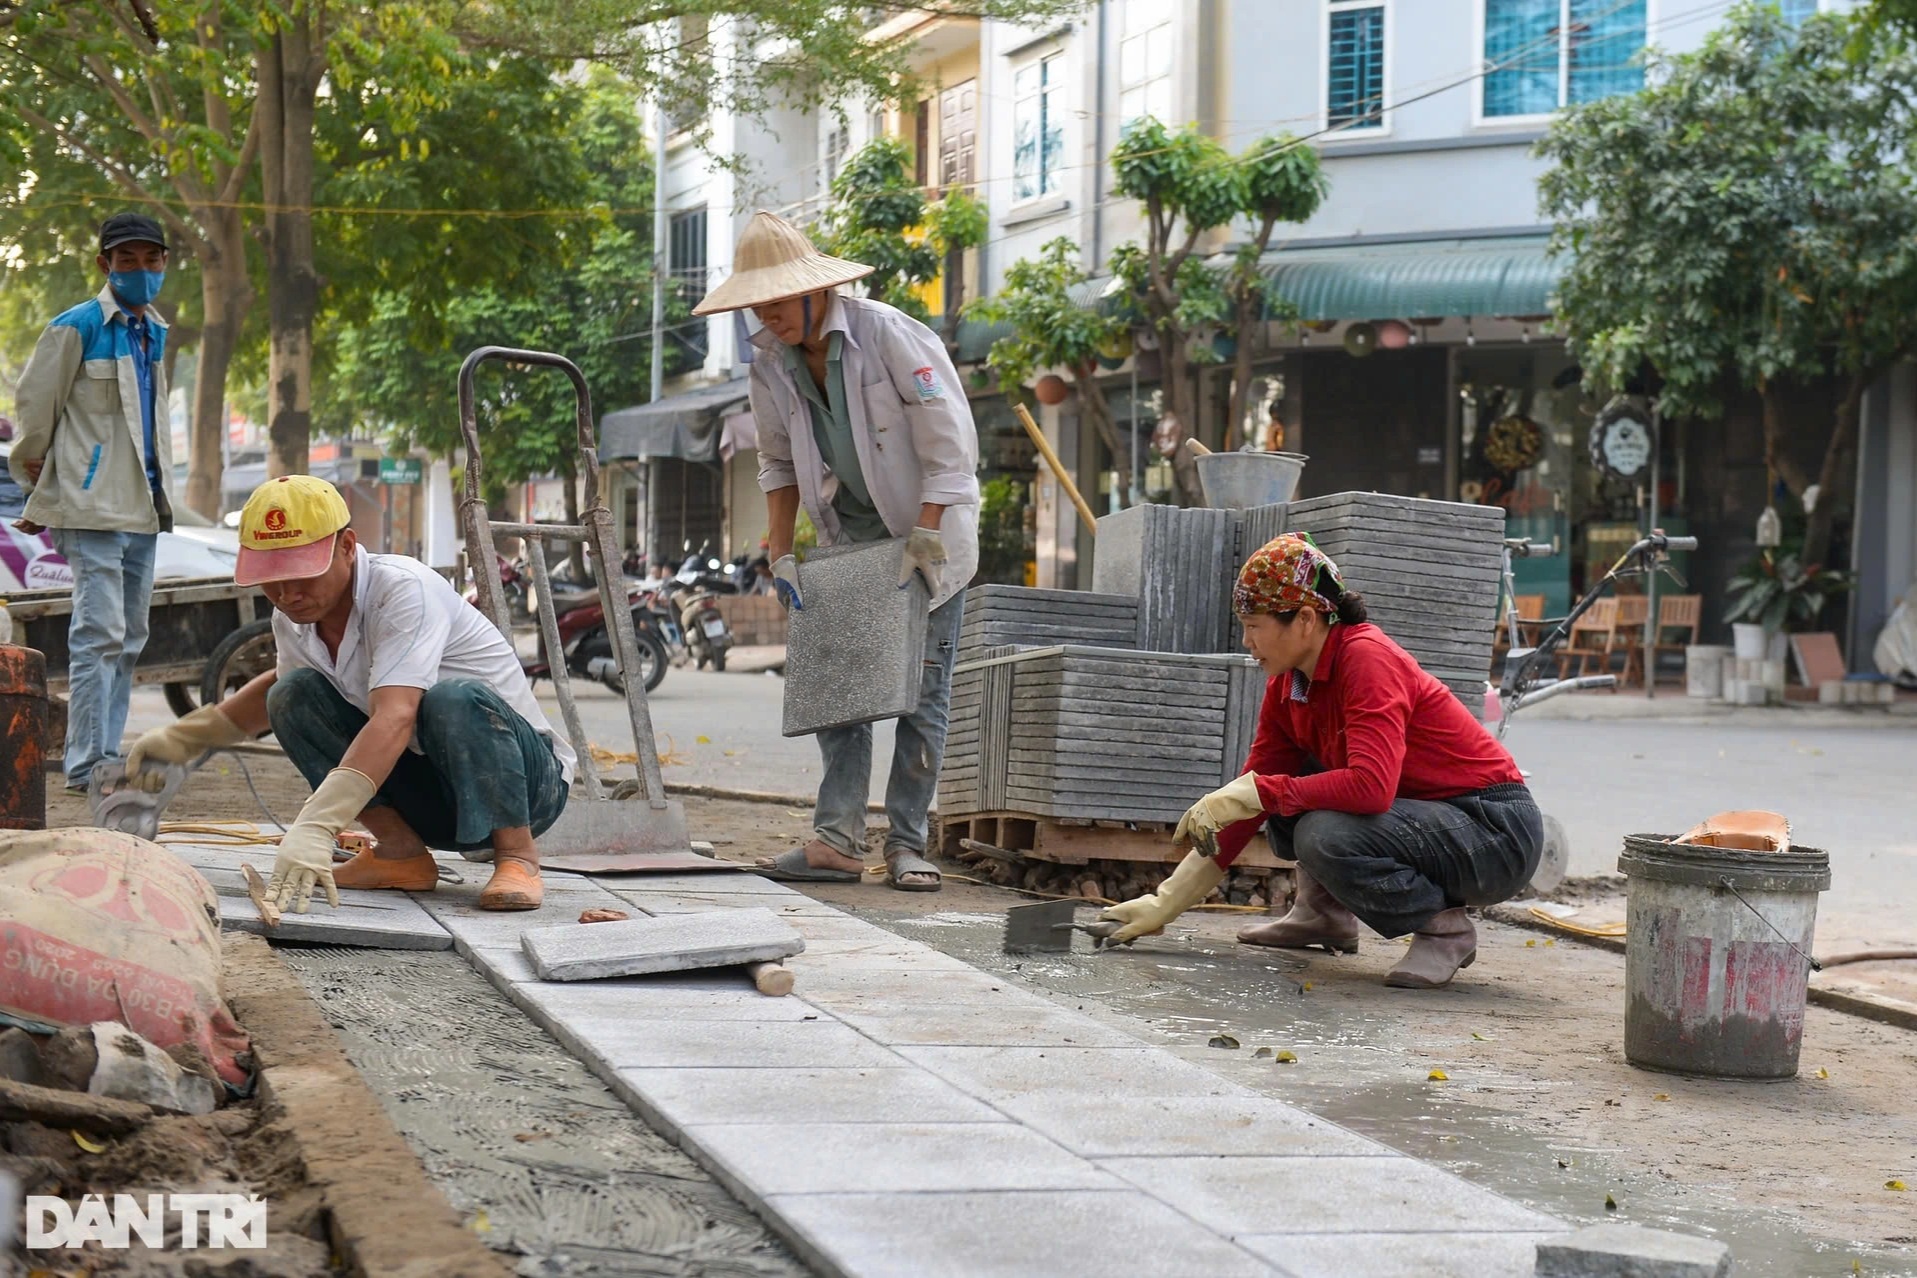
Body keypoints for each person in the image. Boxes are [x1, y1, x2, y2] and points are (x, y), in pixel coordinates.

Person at [1095, 533, 1543, 989]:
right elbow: (1260, 789)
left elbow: (1371, 788)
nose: (1247, 641)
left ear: (1306, 619)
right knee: (1283, 788)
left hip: (1494, 831)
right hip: (1431, 821)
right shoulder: (1288, 684)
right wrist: (1165, 902)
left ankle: (1443, 931)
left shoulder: (1367, 659)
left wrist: (1259, 791)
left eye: (1254, 625)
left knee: (1320, 830)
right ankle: (1322, 914)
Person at [125, 476, 575, 913]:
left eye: (302, 574)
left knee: (450, 699)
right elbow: (279, 690)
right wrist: (186, 738)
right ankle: (401, 854)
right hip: (434, 791)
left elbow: (395, 716)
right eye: (272, 578)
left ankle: (518, 857)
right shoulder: (294, 616)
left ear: (345, 546)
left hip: (525, 785)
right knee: (291, 694)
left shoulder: (402, 589)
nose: (288, 593)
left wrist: (318, 825)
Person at [693, 211, 979, 892]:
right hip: (848, 542)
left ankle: (908, 843)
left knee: (921, 694)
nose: (768, 314)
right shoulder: (771, 362)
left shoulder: (889, 334)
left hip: (928, 538)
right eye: (756, 303)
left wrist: (927, 531)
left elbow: (949, 444)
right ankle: (837, 841)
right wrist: (779, 550)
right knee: (839, 692)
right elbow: (776, 463)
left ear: (814, 291)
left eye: (777, 300)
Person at [8, 213, 176, 792]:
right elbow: (36, 412)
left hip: (145, 509)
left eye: (150, 259)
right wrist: (40, 489)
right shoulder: (76, 327)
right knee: (98, 632)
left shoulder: (156, 331)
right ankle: (86, 765)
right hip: (91, 506)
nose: (140, 269)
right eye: (126, 259)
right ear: (105, 264)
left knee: (130, 637)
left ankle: (106, 754)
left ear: (163, 263)